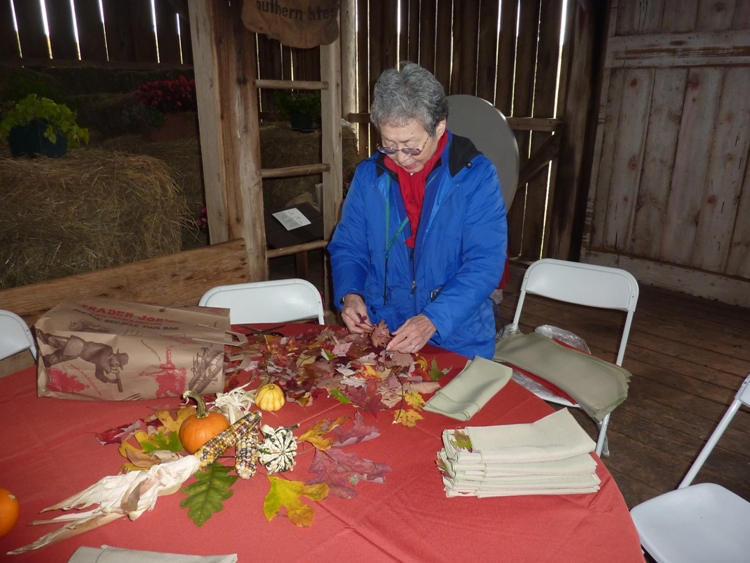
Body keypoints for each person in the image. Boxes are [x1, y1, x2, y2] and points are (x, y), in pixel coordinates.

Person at [328, 62, 507, 360]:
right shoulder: (368, 177)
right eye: (388, 145)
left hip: (456, 335)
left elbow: (485, 262)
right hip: (384, 330)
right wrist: (351, 294)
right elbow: (349, 246)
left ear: (439, 126)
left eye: (411, 146)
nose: (399, 158)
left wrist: (432, 319)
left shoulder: (475, 176)